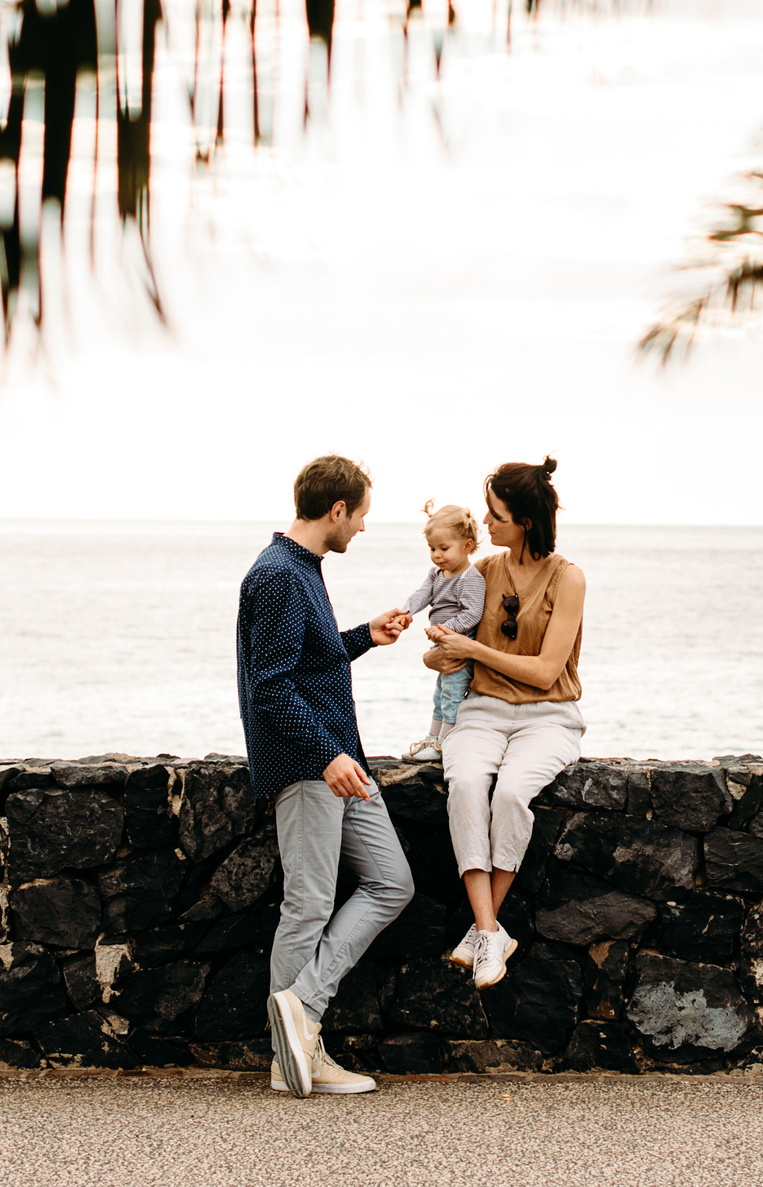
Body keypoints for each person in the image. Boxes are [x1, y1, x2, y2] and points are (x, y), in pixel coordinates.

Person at [235, 453, 416, 1098]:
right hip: (313, 764)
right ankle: (293, 1064)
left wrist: (365, 635)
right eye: (361, 514)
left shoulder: (302, 568)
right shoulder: (279, 575)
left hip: (342, 759)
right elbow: (272, 689)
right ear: (337, 510)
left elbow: (308, 658)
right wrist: (326, 754)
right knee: (307, 905)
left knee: (392, 882)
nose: (363, 528)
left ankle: (300, 1013)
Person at [420, 456, 585, 991]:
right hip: (482, 711)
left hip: (548, 717)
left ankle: (482, 931)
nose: (484, 525)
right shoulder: (481, 572)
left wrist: (473, 648)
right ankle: (491, 929)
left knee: (512, 794)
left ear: (527, 521)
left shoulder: (569, 579)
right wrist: (440, 651)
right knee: (465, 784)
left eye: (496, 515)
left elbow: (543, 673)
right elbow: (448, 648)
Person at [397, 502, 487, 762]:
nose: (436, 554)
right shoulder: (438, 572)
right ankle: (432, 739)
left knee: (453, 693)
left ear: (467, 546)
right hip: (443, 640)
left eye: (443, 548)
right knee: (440, 693)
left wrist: (445, 630)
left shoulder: (469, 578)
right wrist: (407, 611)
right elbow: (423, 594)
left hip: (460, 641)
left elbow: (472, 614)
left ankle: (445, 743)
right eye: (432, 548)